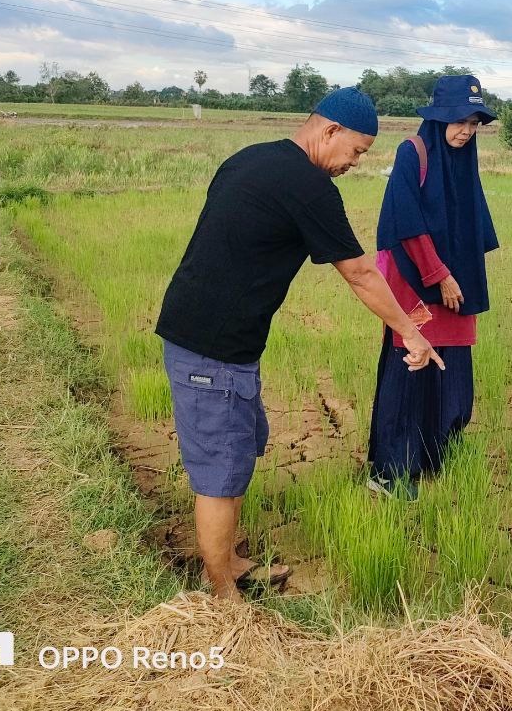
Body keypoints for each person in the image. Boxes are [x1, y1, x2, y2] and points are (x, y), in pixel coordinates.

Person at [155, 88, 442, 602]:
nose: (354, 164)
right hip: (211, 348)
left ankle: (229, 562)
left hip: (222, 342)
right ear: (329, 131)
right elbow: (358, 272)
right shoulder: (308, 186)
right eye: (356, 151)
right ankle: (221, 592)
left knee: (239, 450)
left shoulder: (252, 159)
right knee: (221, 467)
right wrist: (410, 330)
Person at [368, 73, 499, 499]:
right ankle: (391, 472)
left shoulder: (464, 158)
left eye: (475, 122)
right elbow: (405, 221)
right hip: (417, 285)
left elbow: (471, 223)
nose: (466, 130)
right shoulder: (413, 153)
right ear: (439, 117)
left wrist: (459, 277)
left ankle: (439, 456)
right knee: (411, 372)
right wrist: (438, 274)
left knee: (454, 376)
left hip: (458, 289)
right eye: (460, 120)